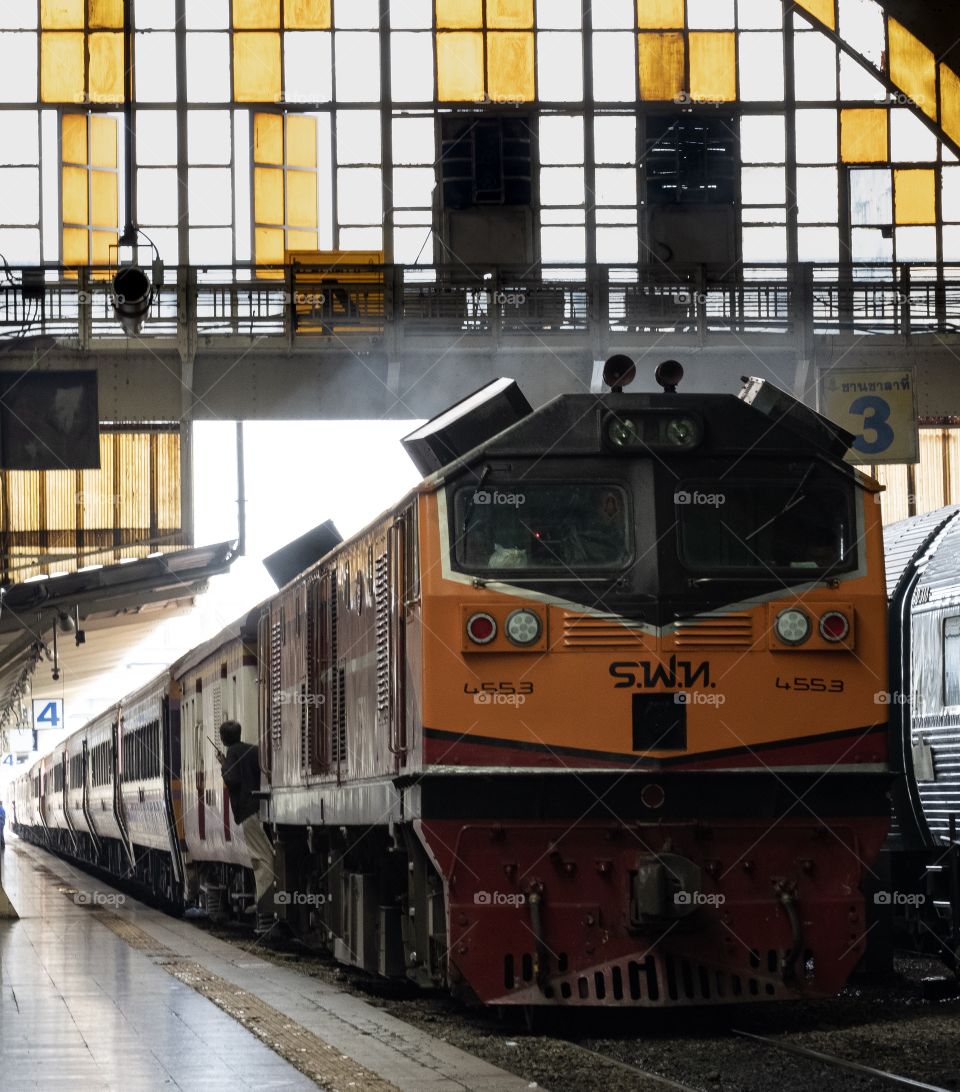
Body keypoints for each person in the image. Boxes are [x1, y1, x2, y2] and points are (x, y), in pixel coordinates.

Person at [216, 721, 275, 927]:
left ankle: (266, 905)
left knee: (260, 857)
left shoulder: (231, 752)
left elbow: (233, 780)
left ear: (223, 739)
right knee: (266, 852)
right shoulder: (254, 749)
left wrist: (223, 766)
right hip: (262, 806)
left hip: (247, 810)